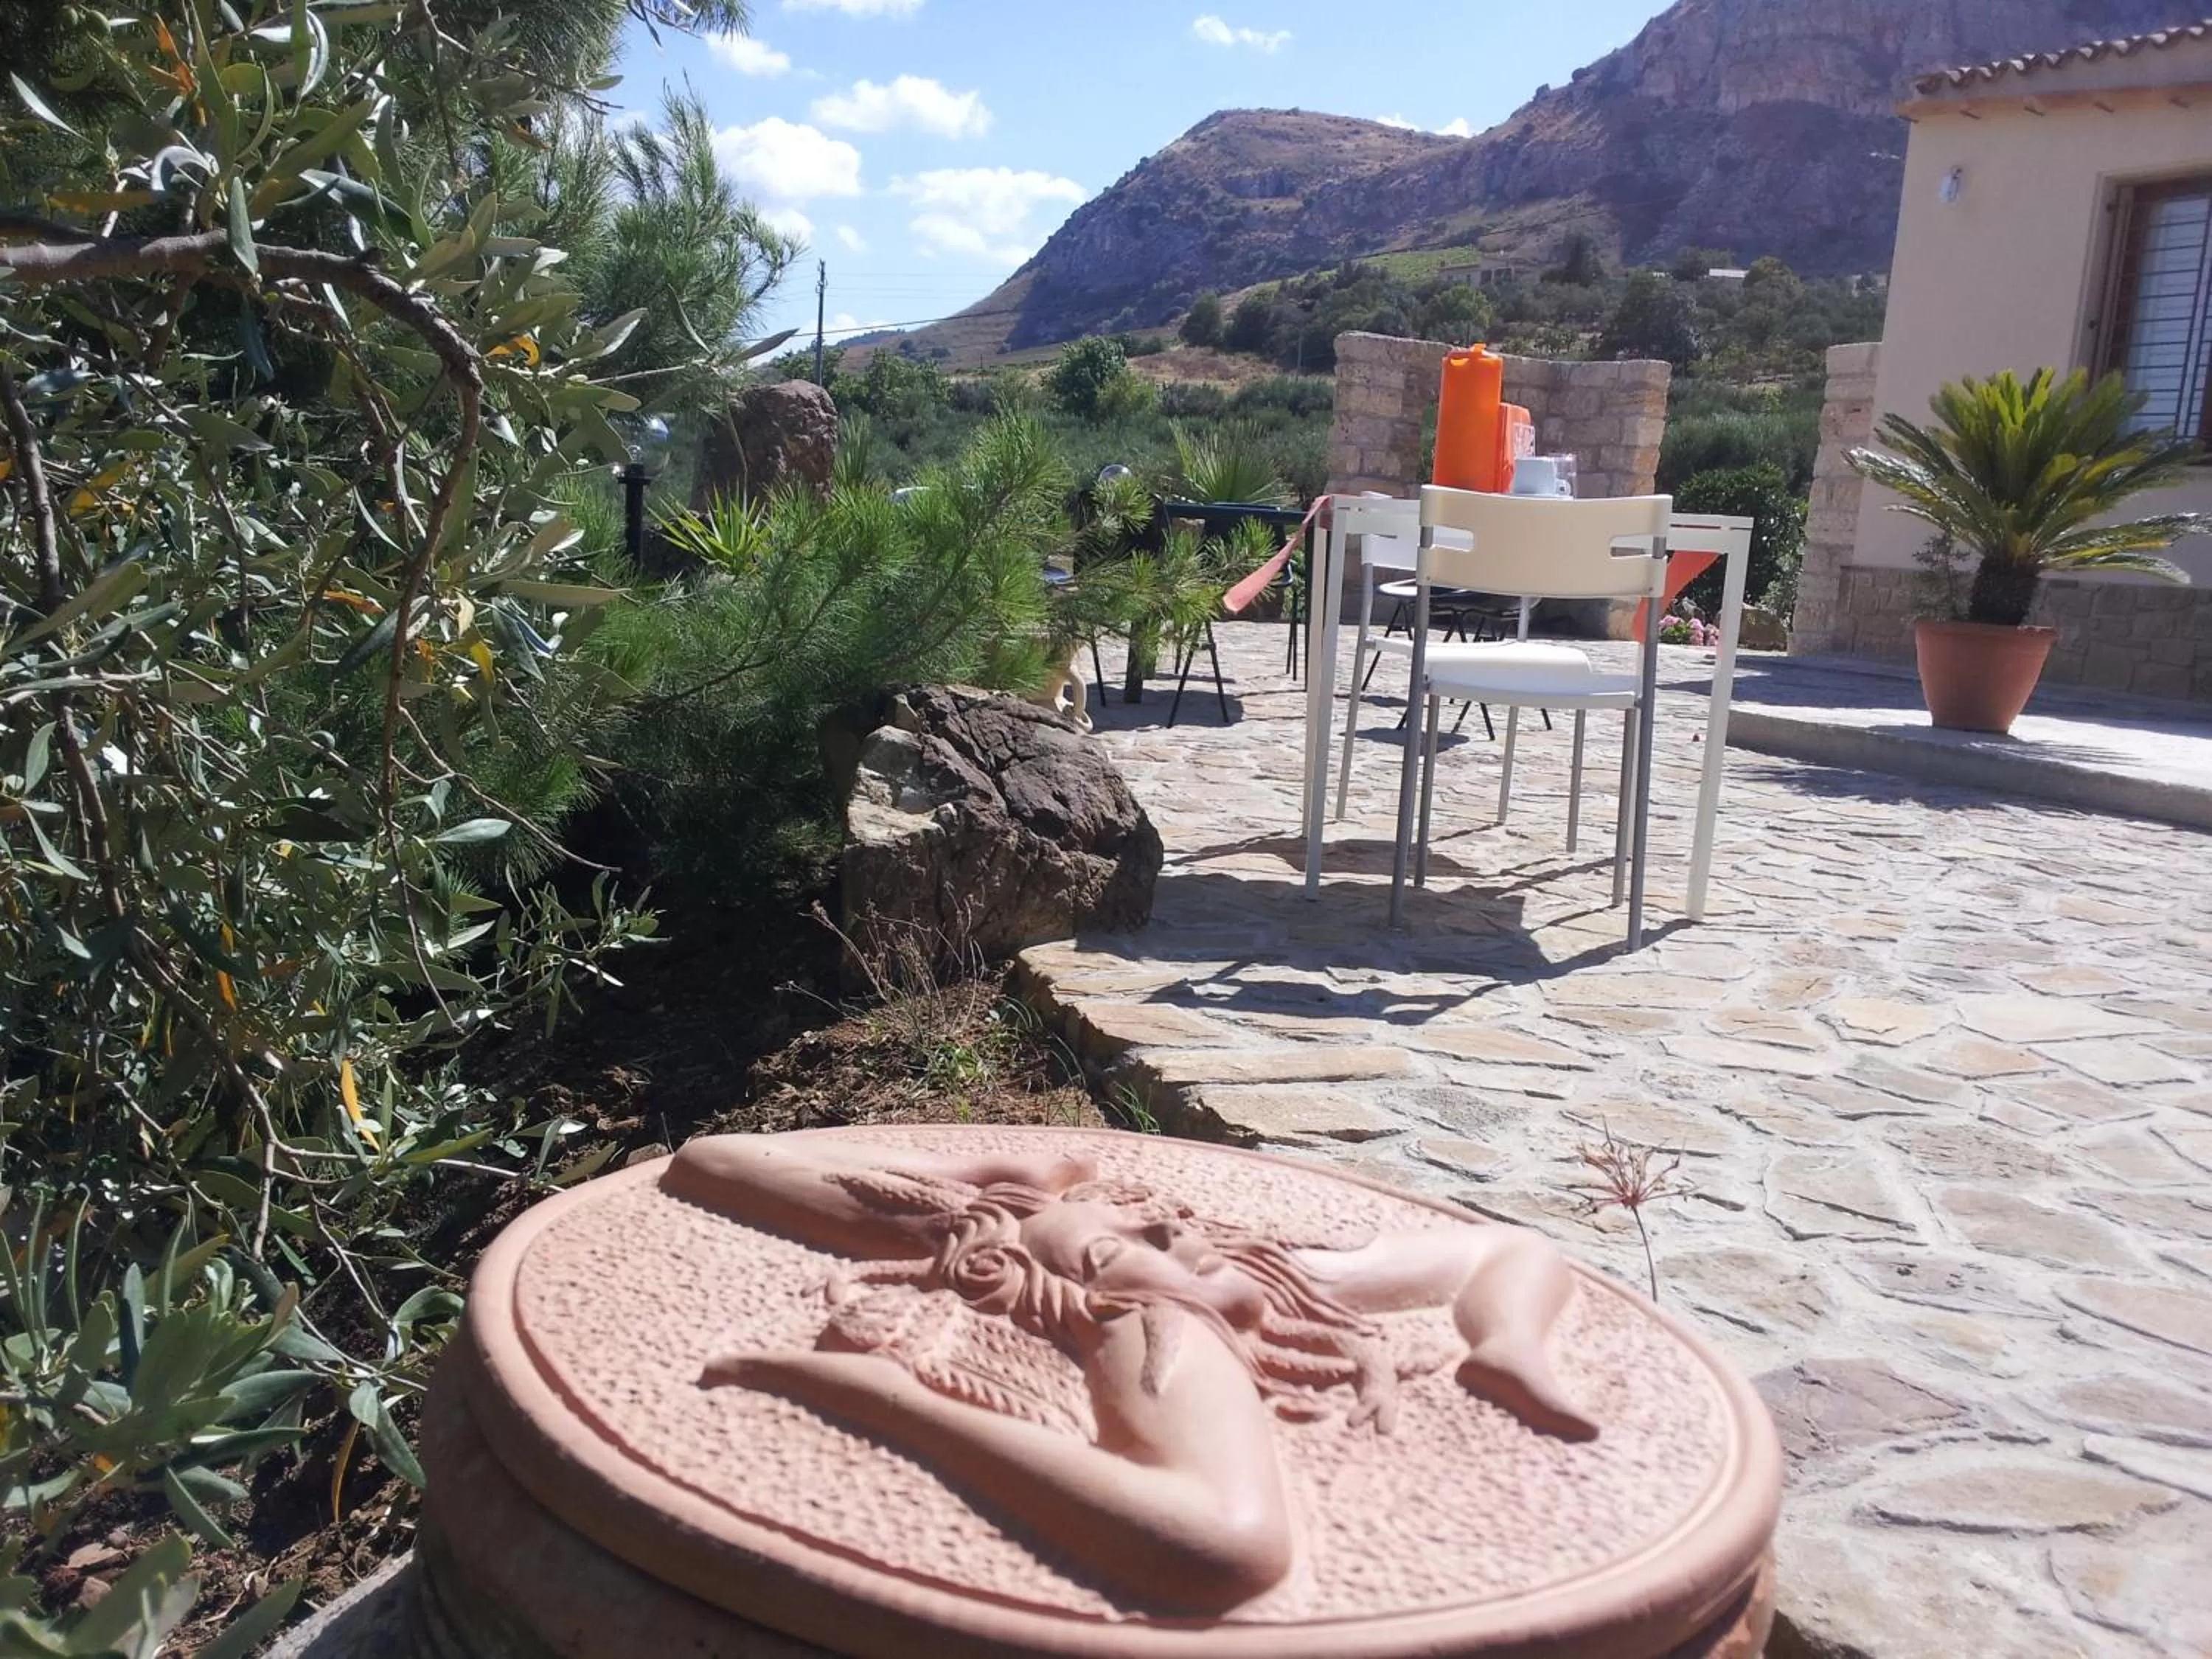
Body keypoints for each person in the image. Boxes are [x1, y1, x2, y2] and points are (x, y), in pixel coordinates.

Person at [665, 1135, 1596, 1615]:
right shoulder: (1151, 1327)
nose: (1164, 1226)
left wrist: (1509, 1341)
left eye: (1151, 1215)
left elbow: (1505, 1249)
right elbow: (1220, 1542)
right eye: (1114, 1245)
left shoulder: (1249, 1271)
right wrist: (889, 1399)